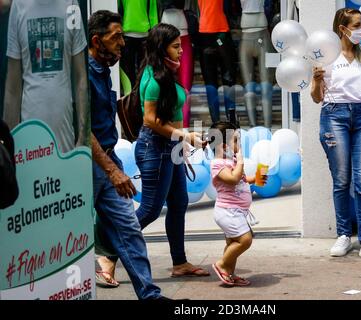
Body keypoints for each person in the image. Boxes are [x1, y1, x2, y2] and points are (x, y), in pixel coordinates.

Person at [98, 23, 210, 279]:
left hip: (170, 147)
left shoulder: (164, 73)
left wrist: (182, 141)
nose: (180, 51)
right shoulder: (154, 80)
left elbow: (170, 116)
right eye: (174, 47)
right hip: (155, 149)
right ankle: (108, 254)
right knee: (149, 208)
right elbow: (149, 120)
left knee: (179, 202)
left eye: (180, 46)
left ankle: (180, 263)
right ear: (162, 49)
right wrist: (185, 136)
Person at [88, 10, 166, 300]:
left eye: (122, 36)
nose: (122, 43)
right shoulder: (84, 73)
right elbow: (83, 128)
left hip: (108, 162)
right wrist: (112, 170)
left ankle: (150, 295)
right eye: (115, 37)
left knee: (129, 227)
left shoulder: (104, 70)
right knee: (75, 236)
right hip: (91, 165)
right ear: (97, 41)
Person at [310, 8, 361, 261]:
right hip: (334, 116)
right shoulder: (326, 56)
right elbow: (316, 98)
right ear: (342, 29)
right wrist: (315, 80)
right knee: (342, 179)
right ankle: (344, 235)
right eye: (356, 25)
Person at [3, 0, 89, 153]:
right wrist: (10, 147)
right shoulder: (19, 5)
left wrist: (82, 138)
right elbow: (12, 87)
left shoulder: (71, 4)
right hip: (29, 135)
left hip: (65, 133)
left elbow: (81, 77)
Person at [208, 121, 266, 286]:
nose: (239, 144)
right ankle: (221, 265)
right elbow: (232, 179)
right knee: (245, 240)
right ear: (224, 146)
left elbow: (241, 179)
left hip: (236, 211)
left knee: (233, 243)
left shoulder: (231, 160)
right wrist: (240, 162)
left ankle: (229, 273)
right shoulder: (217, 164)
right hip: (227, 211)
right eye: (236, 140)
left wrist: (256, 178)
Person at [197, 0, 237, 124]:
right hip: (221, 32)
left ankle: (217, 123)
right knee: (228, 78)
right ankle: (231, 121)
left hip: (205, 32)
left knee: (210, 81)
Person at [239, 0, 275, 128]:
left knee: (266, 88)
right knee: (249, 89)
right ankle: (253, 127)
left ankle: (267, 128)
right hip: (248, 33)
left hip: (262, 32)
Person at [161, 0, 194, 129]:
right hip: (165, 32)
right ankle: (168, 126)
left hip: (183, 29)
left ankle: (184, 128)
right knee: (165, 85)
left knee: (185, 87)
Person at [118, 0, 159, 89]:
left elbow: (153, 12)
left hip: (144, 35)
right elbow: (117, 9)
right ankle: (130, 96)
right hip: (127, 34)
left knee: (145, 69)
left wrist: (154, 32)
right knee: (128, 70)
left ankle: (142, 94)